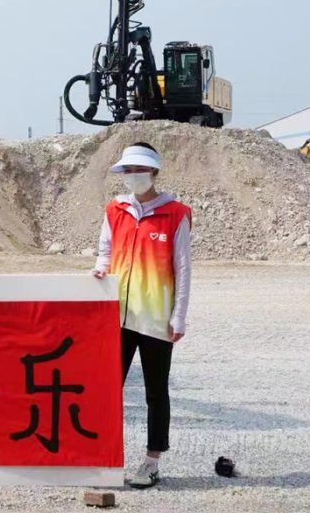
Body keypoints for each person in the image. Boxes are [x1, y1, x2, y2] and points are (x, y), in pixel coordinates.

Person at [91, 142, 191, 489]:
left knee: (155, 391)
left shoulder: (176, 213)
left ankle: (151, 461)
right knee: (108, 389)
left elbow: (182, 268)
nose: (133, 176)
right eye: (128, 170)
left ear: (154, 172)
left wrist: (179, 316)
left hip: (156, 318)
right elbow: (105, 250)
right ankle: (102, 455)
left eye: (139, 170)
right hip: (117, 317)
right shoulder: (115, 210)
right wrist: (101, 269)